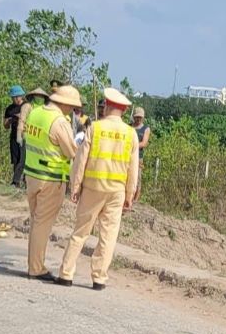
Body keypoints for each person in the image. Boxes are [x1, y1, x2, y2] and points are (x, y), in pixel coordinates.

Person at [56, 88, 139, 290]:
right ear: (123, 111)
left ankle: (66, 273)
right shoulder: (131, 134)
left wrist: (75, 186)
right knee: (108, 235)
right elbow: (133, 168)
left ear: (107, 106)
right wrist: (130, 195)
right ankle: (99, 278)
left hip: (93, 187)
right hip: (116, 192)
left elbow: (81, 159)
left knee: (80, 231)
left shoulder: (95, 128)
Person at [23, 84, 81, 281]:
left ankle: (34, 263)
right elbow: (72, 152)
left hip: (31, 174)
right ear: (64, 103)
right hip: (50, 178)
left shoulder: (36, 113)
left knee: (35, 221)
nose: (72, 110)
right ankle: (36, 267)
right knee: (42, 225)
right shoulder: (59, 122)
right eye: (72, 106)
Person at [3, 86, 26, 186]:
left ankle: (23, 181)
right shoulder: (9, 109)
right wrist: (9, 121)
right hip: (13, 135)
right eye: (13, 97)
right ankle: (16, 182)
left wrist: (20, 116)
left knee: (24, 159)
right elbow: (5, 125)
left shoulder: (26, 106)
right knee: (15, 159)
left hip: (25, 135)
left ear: (21, 96)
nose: (16, 99)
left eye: (17, 96)